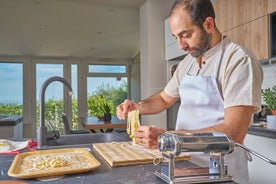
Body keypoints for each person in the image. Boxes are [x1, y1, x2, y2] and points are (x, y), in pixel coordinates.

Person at [116, 0, 263, 183]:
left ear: (208, 24)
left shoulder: (238, 60)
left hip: (220, 172)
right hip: (184, 166)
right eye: (176, 37)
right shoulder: (187, 63)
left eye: (185, 35)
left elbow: (234, 132)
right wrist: (136, 107)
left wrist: (168, 138)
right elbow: (163, 98)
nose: (180, 45)